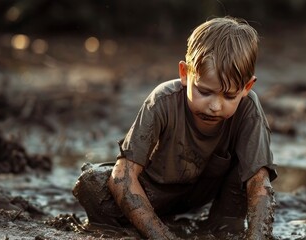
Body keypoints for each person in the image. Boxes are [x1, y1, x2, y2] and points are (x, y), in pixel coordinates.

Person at [72, 16, 277, 239]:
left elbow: (259, 183)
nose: (215, 106)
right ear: (185, 74)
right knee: (93, 182)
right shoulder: (162, 101)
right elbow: (123, 176)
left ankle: (224, 228)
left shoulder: (249, 109)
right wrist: (160, 235)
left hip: (204, 193)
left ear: (247, 87)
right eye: (204, 92)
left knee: (251, 165)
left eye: (229, 96)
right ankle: (137, 227)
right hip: (153, 194)